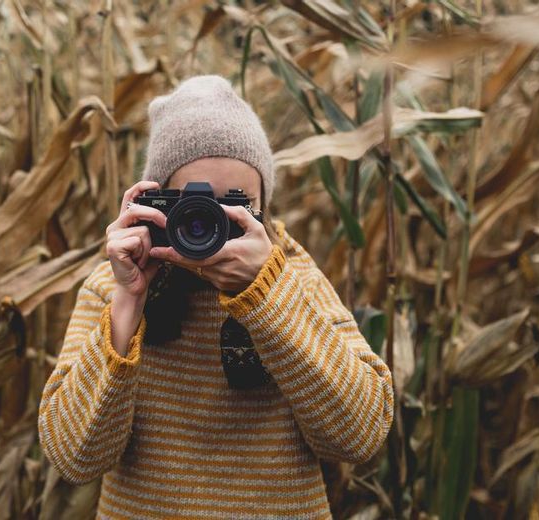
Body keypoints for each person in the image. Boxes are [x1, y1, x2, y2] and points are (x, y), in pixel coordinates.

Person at [37, 75, 394, 519]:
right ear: (156, 201)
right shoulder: (115, 284)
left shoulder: (293, 278)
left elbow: (357, 437)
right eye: (194, 205)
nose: (210, 223)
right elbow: (75, 457)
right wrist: (128, 304)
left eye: (236, 205)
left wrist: (265, 295)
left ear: (265, 205)